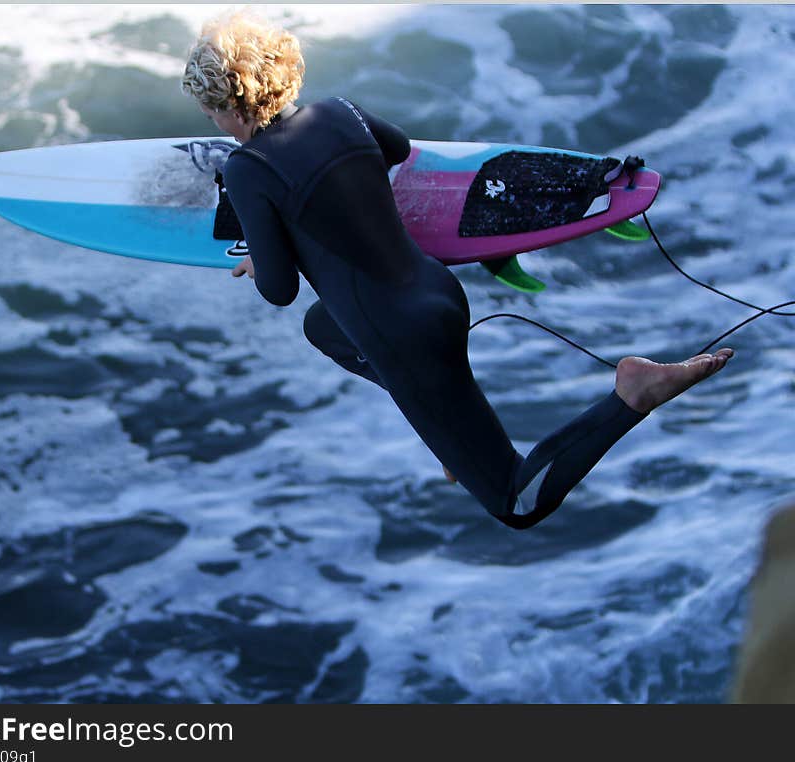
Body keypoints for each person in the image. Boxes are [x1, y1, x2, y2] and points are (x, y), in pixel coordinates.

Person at [181, 13, 733, 529]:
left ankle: (633, 393)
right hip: (437, 293)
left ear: (230, 106)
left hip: (401, 337)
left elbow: (279, 289)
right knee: (323, 328)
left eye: (211, 112)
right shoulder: (338, 112)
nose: (213, 122)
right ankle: (447, 433)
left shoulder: (247, 168)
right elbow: (396, 149)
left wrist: (263, 246)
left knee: (517, 502)